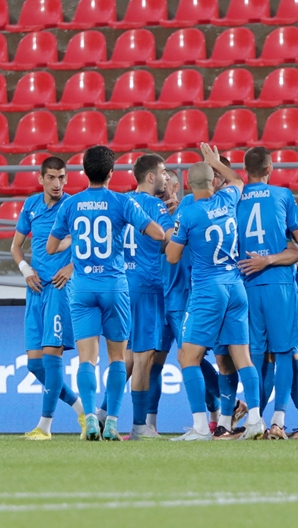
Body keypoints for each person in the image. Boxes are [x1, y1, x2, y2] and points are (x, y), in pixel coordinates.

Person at [47, 146, 164, 441]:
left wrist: (77, 239)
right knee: (117, 359)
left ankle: (88, 419)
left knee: (87, 359)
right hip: (114, 287)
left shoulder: (71, 205)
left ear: (84, 172)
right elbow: (158, 234)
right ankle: (111, 422)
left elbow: (50, 247)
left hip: (83, 288)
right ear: (112, 173)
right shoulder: (121, 202)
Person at [166, 144, 264, 441]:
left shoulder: (190, 212)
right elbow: (238, 180)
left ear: (187, 185)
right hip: (235, 287)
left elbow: (172, 256)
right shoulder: (229, 197)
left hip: (208, 290)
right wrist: (215, 162)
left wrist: (174, 232)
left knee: (187, 357)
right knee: (243, 358)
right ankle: (257, 421)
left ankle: (199, 427)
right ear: (213, 181)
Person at [235, 146, 298, 440]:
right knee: (285, 353)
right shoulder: (282, 195)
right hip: (280, 285)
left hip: (247, 283)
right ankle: (279, 422)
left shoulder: (236, 198)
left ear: (245, 171)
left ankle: (253, 419)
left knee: (255, 354)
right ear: (270, 168)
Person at [11, 156, 85, 440]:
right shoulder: (30, 205)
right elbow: (16, 246)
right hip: (35, 289)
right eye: (52, 177)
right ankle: (80, 408)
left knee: (52, 356)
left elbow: (86, 245)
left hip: (58, 288)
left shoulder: (73, 206)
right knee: (34, 363)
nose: (57, 183)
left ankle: (45, 427)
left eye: (62, 177)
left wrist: (70, 267)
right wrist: (25, 269)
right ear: (40, 179)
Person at [121, 154, 174, 440]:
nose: (166, 178)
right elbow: (168, 240)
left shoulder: (122, 202)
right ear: (150, 177)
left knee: (126, 358)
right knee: (144, 359)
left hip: (122, 284)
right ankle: (140, 427)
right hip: (147, 285)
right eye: (164, 173)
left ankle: (104, 414)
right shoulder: (155, 206)